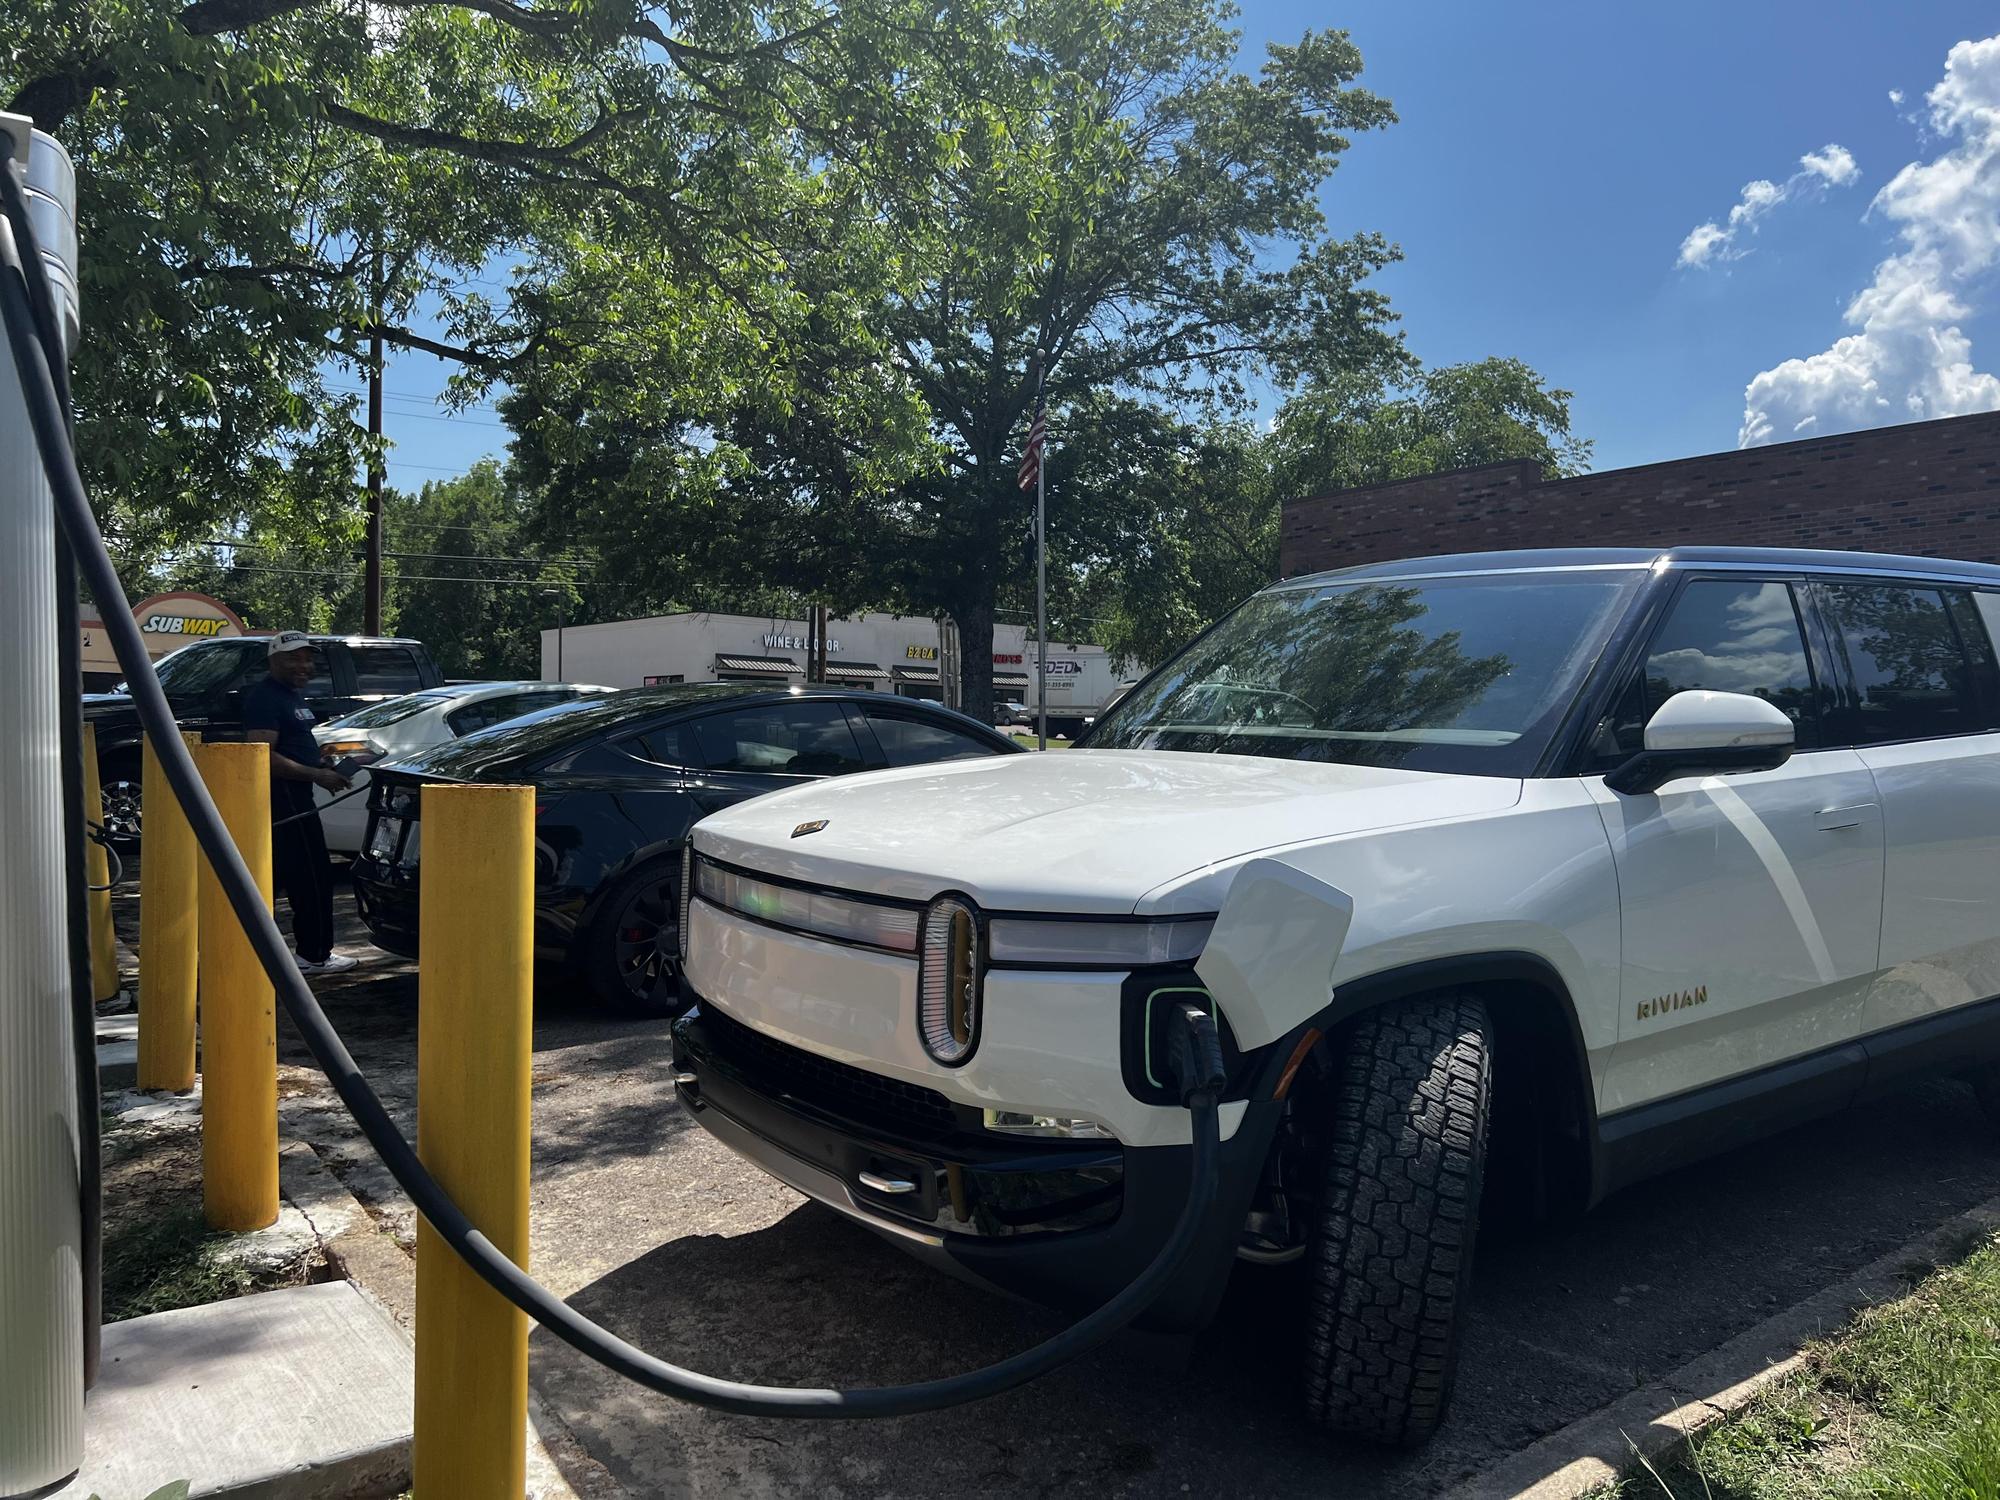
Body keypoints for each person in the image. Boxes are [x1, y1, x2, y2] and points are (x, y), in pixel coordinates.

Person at [241, 632, 358, 975]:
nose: (303, 666)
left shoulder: (290, 697)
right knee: (312, 877)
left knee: (276, 878)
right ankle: (314, 955)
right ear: (273, 660)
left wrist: (322, 762)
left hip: (297, 795)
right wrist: (315, 775)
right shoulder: (265, 699)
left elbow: (289, 747)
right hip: (285, 800)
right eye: (294, 658)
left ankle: (259, 951)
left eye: (307, 658)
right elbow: (261, 756)